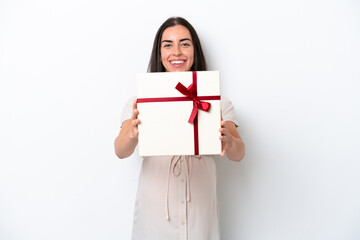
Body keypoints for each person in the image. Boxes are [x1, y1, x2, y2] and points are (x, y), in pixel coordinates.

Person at [114, 17, 245, 240]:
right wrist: (132, 132)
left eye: (185, 43)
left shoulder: (218, 102)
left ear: (195, 50)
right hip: (154, 216)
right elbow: (121, 150)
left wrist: (228, 140)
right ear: (159, 53)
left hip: (200, 215)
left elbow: (239, 153)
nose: (177, 52)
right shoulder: (139, 102)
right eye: (168, 45)